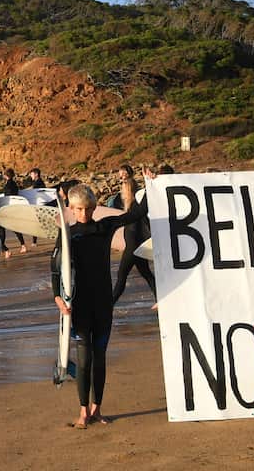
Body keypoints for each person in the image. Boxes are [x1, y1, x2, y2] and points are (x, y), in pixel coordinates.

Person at [52, 177, 146, 428]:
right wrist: (58, 298)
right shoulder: (67, 236)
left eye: (88, 208)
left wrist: (150, 184)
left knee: (100, 357)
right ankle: (83, 410)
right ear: (71, 209)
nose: (84, 213)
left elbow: (137, 213)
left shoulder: (105, 227)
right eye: (79, 209)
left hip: (104, 303)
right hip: (79, 305)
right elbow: (55, 270)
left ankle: (97, 408)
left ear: (94, 208)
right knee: (84, 360)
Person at [109, 165, 156, 305]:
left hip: (133, 247)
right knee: (147, 274)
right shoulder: (131, 209)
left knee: (121, 276)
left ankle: (109, 305)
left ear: (129, 191)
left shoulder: (135, 209)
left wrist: (150, 183)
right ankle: (160, 299)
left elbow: (136, 227)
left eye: (123, 191)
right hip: (136, 246)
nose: (121, 194)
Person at [2, 168, 26, 255]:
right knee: (15, 228)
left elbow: (8, 197)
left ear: (6, 175)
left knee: (5, 228)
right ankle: (22, 245)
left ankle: (5, 250)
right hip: (14, 207)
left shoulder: (8, 185)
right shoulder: (14, 184)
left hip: (9, 208)